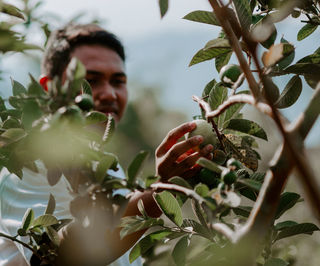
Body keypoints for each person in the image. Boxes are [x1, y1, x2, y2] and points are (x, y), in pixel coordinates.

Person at [0, 23, 213, 265]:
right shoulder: (27, 164)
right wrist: (159, 192)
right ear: (49, 88)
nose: (109, 93)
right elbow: (57, 258)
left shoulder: (109, 167)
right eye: (91, 80)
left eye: (118, 81)